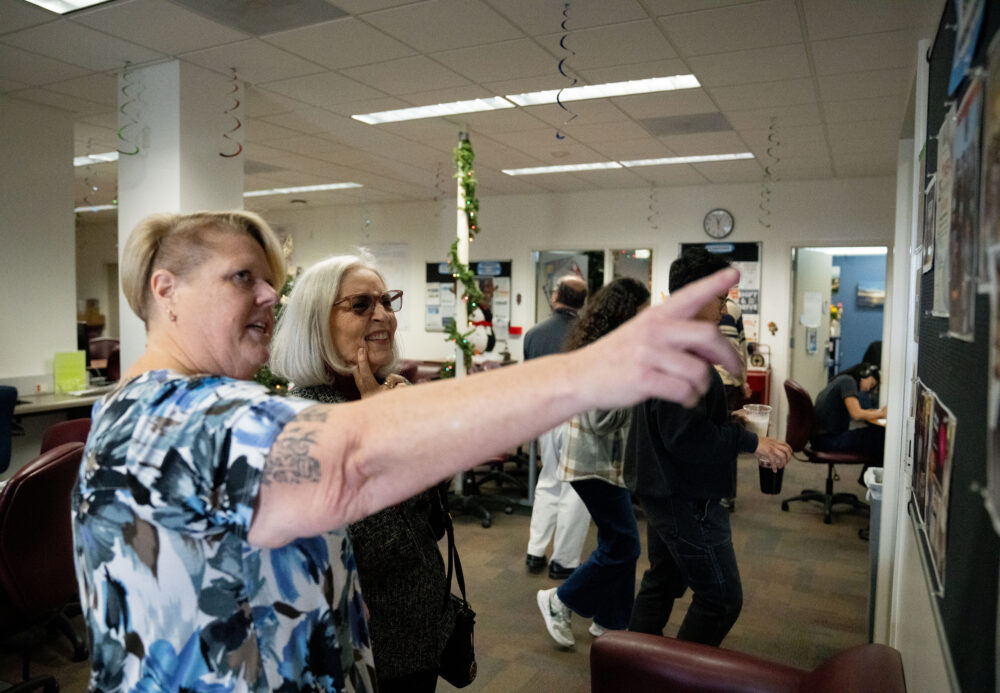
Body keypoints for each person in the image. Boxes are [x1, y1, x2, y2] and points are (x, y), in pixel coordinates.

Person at [72, 209, 744, 691]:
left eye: (270, 279)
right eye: (242, 277)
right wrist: (589, 371)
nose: (269, 293)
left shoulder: (157, 409)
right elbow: (349, 463)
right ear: (166, 289)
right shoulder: (171, 418)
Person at [268, 253, 450, 693]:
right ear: (316, 321)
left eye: (387, 301)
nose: (383, 315)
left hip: (420, 624)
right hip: (367, 647)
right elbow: (366, 544)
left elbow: (432, 518)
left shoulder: (384, 393)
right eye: (362, 304)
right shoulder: (304, 421)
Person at [624, 247, 792, 647]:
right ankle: (676, 679)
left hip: (661, 484)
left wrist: (727, 420)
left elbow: (674, 422)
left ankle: (632, 671)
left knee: (663, 581)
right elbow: (686, 438)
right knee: (720, 599)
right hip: (683, 494)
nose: (725, 306)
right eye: (720, 297)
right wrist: (753, 441)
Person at [536, 277, 648, 647]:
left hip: (600, 462)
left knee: (616, 541)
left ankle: (610, 621)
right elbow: (602, 418)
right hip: (594, 463)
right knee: (625, 545)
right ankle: (560, 600)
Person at [523, 274, 592, 579]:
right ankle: (563, 561)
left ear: (556, 297)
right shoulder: (590, 333)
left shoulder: (534, 334)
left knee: (548, 481)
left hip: (546, 418)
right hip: (579, 419)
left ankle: (535, 551)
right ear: (584, 301)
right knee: (576, 489)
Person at [812, 362, 887, 471]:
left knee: (874, 435)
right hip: (829, 440)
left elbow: (853, 412)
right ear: (864, 374)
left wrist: (872, 412)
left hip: (822, 438)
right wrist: (881, 413)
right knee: (881, 437)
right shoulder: (849, 382)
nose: (867, 390)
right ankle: (868, 481)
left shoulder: (841, 380)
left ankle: (867, 479)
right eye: (870, 384)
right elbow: (856, 414)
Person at [715, 293, 751, 511]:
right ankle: (725, 495)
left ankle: (720, 493)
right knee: (726, 438)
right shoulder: (732, 309)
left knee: (719, 437)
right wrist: (742, 379)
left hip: (713, 380)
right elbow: (739, 349)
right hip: (727, 381)